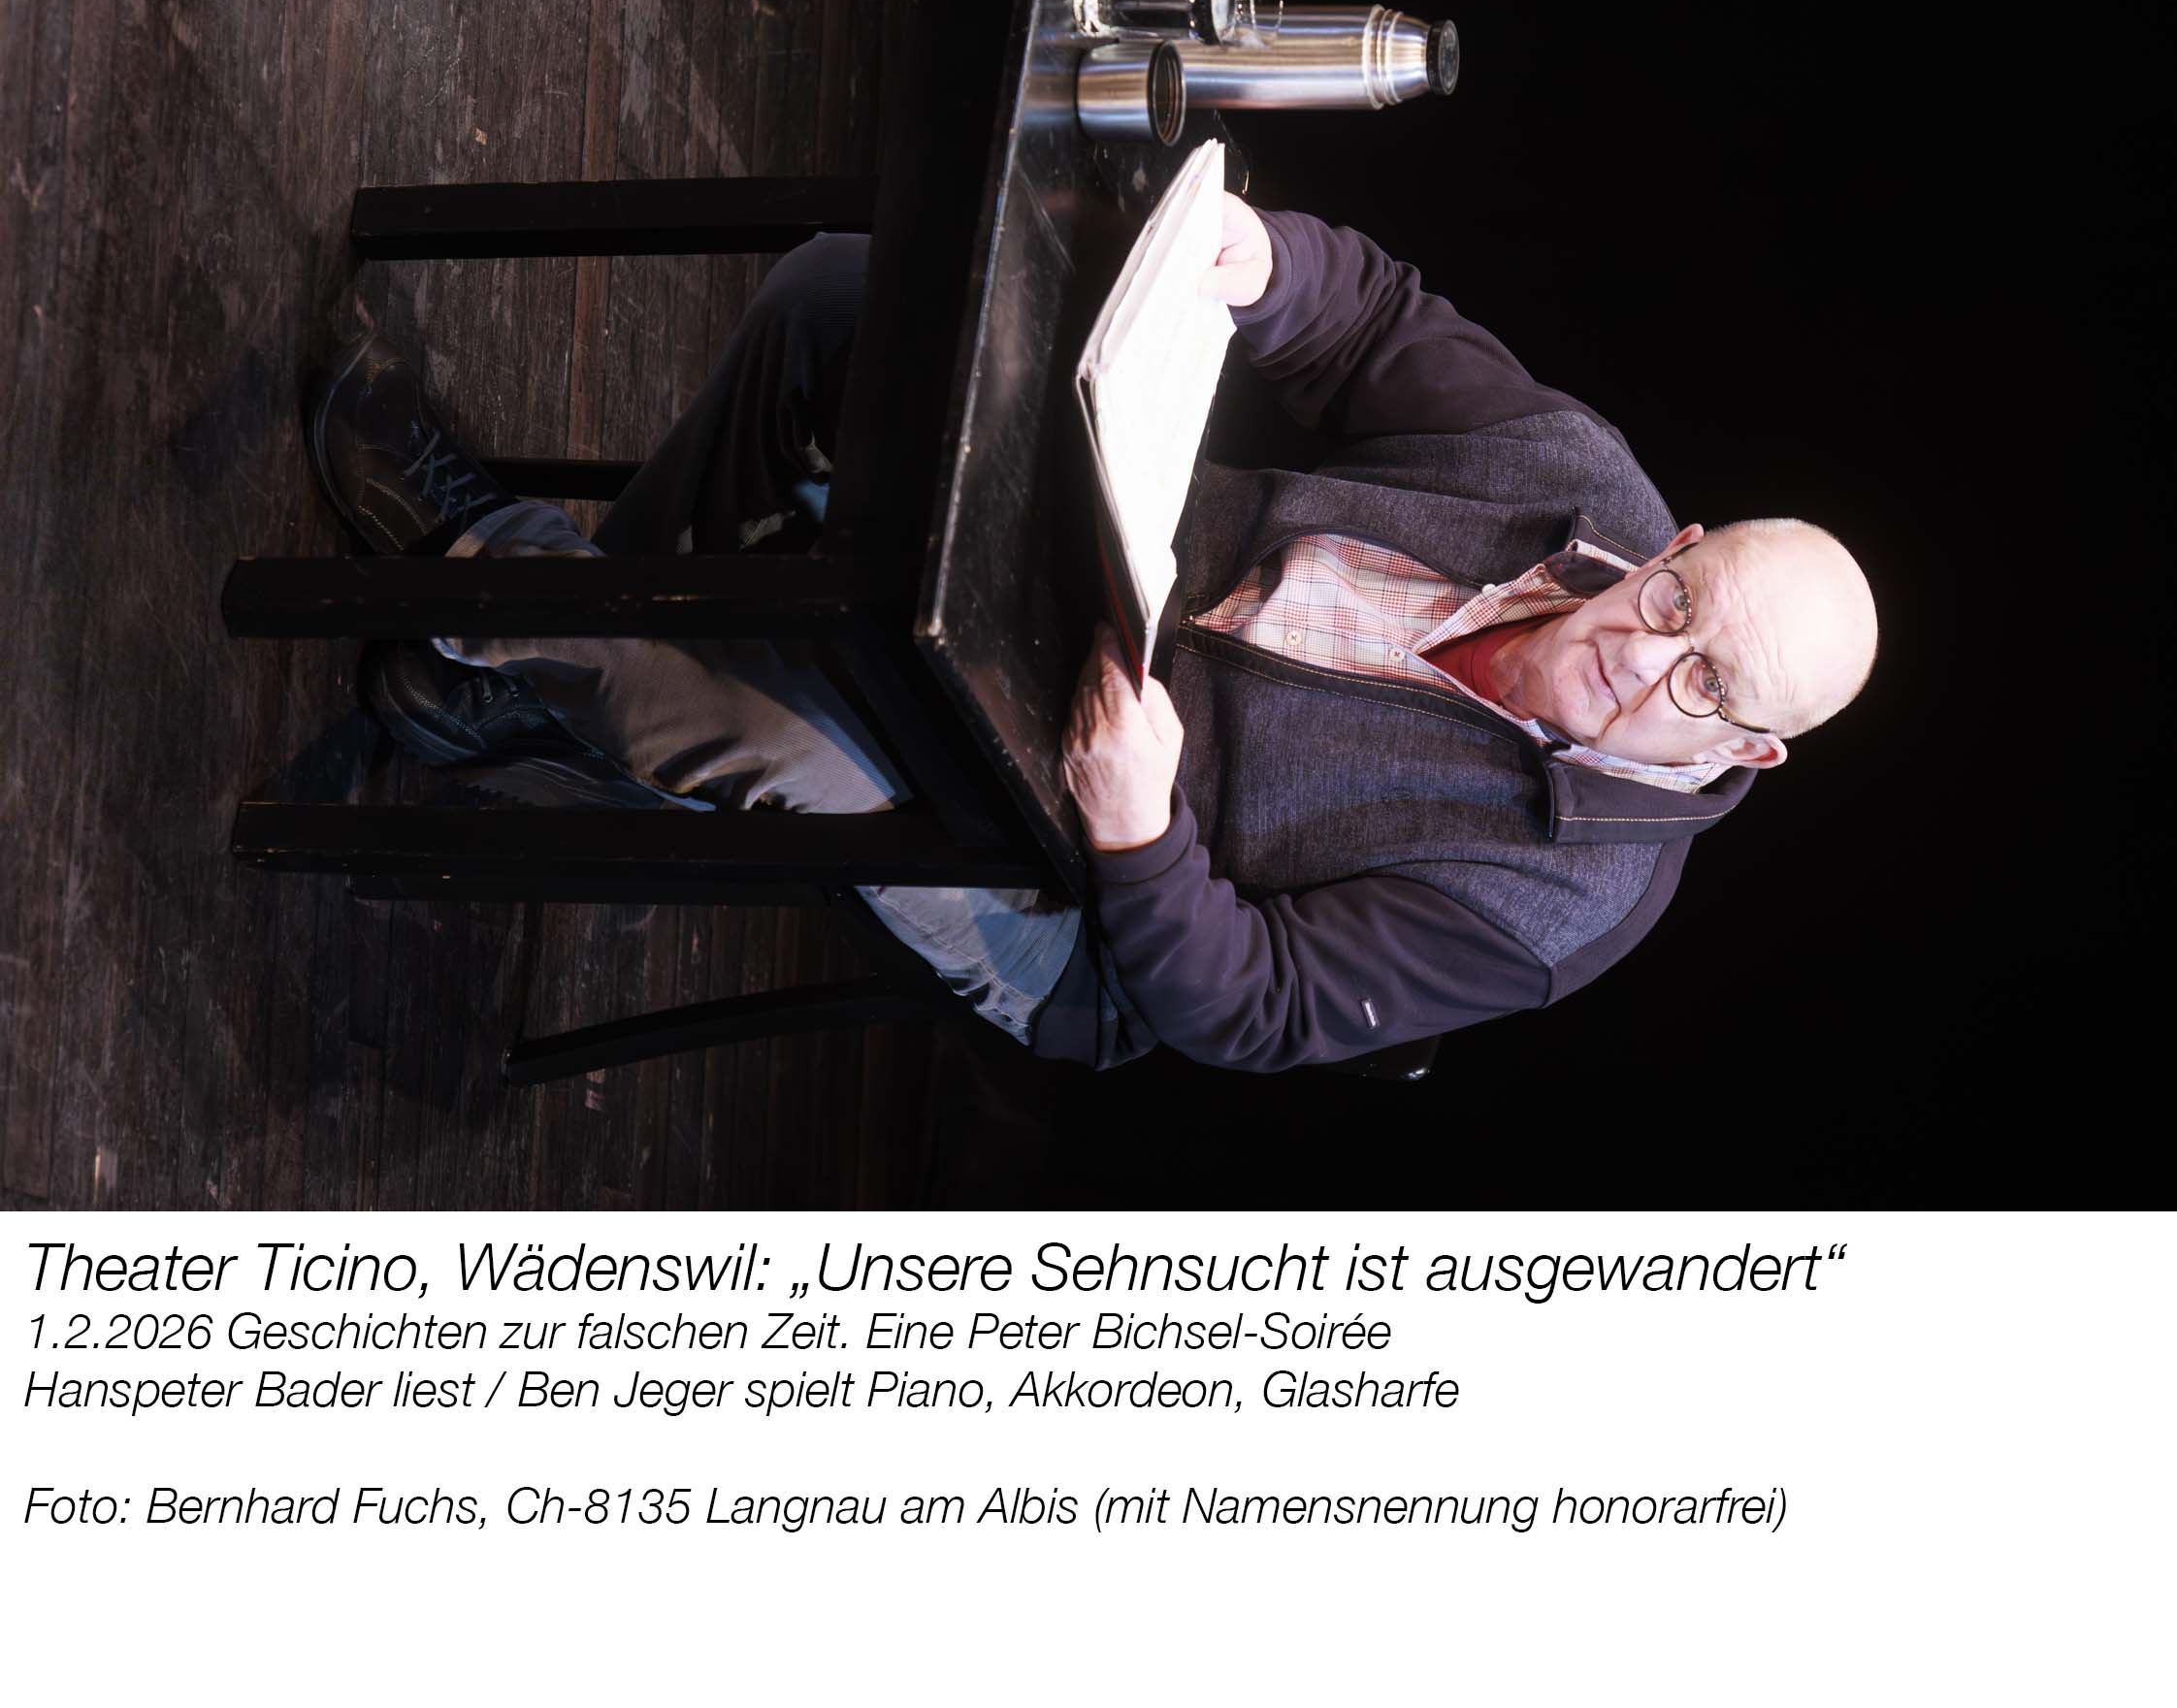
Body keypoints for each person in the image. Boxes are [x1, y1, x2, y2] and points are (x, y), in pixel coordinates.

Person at [303, 198, 1878, 1073]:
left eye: (1703, 683)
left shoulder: (1570, 906)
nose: (1640, 653)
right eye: (1676, 602)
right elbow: (1375, 320)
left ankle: (482, 577)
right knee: (844, 298)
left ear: (1749, 750)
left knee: (790, 747)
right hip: (1085, 588)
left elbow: (1252, 1008)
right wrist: (1271, 269)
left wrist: (1137, 831)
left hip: (1080, 894)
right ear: (1677, 549)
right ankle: (533, 668)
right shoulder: (1579, 482)